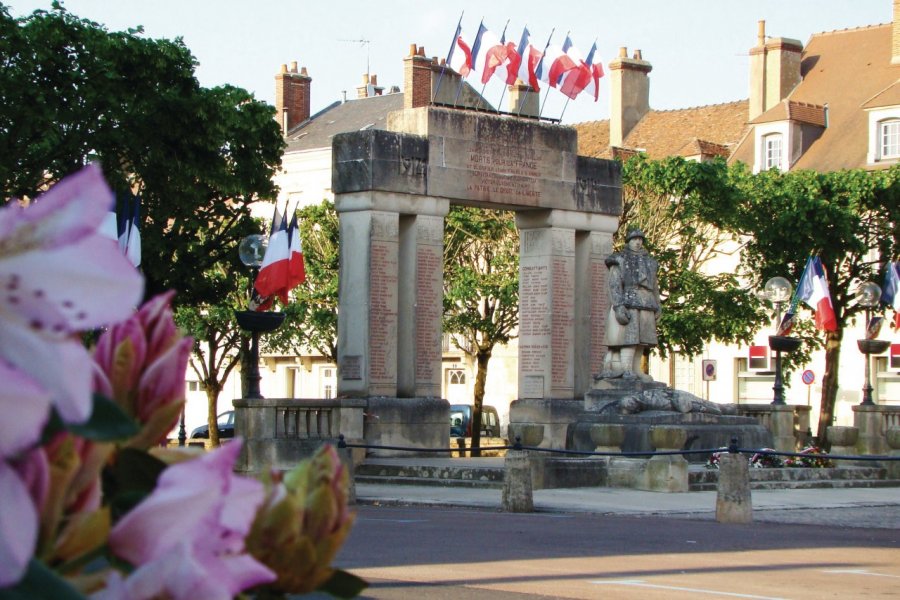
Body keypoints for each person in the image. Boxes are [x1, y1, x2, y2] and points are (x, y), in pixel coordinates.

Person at [600, 229, 660, 381]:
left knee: (642, 340)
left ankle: (635, 369)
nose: (638, 242)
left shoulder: (650, 262)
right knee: (629, 338)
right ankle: (626, 369)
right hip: (628, 302)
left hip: (647, 302)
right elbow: (614, 284)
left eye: (640, 239)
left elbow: (655, 286)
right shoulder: (620, 259)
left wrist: (658, 305)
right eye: (634, 239)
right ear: (628, 241)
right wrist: (618, 306)